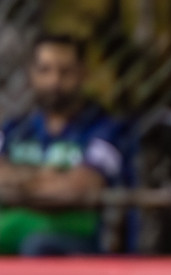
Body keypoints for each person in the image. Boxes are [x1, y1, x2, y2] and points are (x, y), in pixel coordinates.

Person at [0, 34, 124, 255]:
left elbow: (78, 191)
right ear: (32, 74)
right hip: (13, 226)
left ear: (83, 74)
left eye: (65, 72)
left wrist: (18, 184)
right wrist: (48, 178)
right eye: (45, 70)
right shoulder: (14, 129)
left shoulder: (104, 129)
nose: (54, 81)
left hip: (79, 235)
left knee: (37, 246)